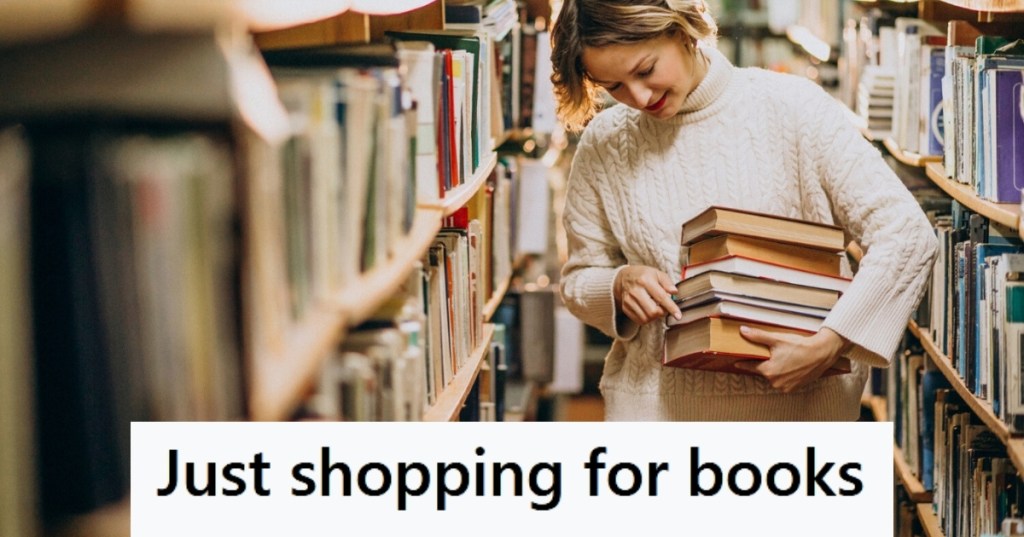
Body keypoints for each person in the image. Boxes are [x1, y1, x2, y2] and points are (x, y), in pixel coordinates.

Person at [551, 0, 938, 420]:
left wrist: (831, 342)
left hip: (800, 417)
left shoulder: (795, 108)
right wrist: (617, 285)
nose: (639, 97)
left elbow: (906, 234)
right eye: (614, 86)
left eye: (645, 70)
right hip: (653, 417)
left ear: (683, 31)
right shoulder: (605, 143)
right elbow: (577, 279)